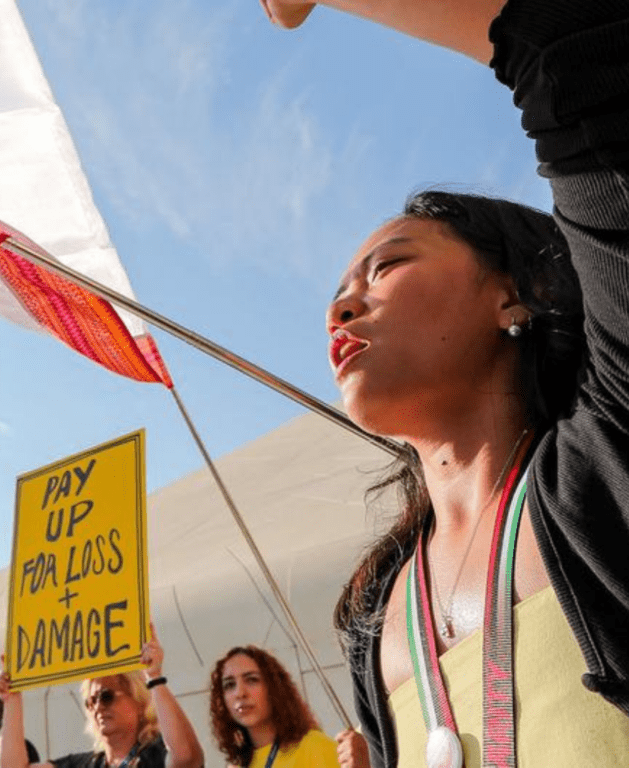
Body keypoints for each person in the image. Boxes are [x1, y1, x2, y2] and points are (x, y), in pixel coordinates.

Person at [260, 1, 629, 767]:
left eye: (388, 265)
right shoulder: (373, 610)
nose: (340, 306)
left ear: (518, 295)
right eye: (338, 290)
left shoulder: (611, 459)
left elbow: (574, 51)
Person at [0, 625, 203, 768]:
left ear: (138, 700)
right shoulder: (87, 764)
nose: (98, 707)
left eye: (106, 696)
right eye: (90, 702)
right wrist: (12, 699)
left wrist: (155, 677)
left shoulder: (155, 755)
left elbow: (187, 757)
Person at [210, 645, 340, 768]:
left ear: (274, 688)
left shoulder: (315, 747)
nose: (240, 693)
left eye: (252, 680)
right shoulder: (239, 764)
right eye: (229, 685)